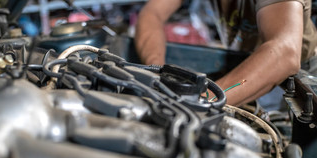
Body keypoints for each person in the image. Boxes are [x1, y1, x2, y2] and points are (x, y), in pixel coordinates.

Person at [135, 0, 317, 106]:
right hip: (249, 65)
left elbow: (284, 53)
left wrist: (202, 100)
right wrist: (157, 72)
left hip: (300, 81)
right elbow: (152, 14)